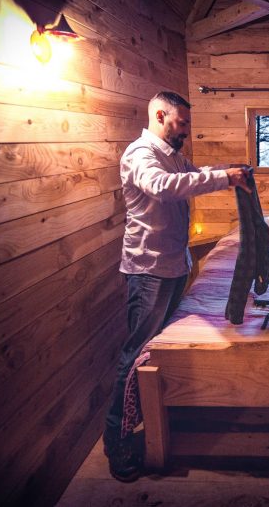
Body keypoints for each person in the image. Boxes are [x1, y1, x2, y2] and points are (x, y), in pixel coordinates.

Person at [104, 91, 251, 482]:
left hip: (173, 266)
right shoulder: (140, 155)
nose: (186, 129)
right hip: (148, 270)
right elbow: (167, 186)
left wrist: (230, 171)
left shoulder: (173, 154)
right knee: (136, 353)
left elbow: (191, 176)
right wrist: (224, 177)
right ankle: (116, 439)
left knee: (158, 352)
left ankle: (156, 414)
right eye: (181, 122)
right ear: (159, 115)